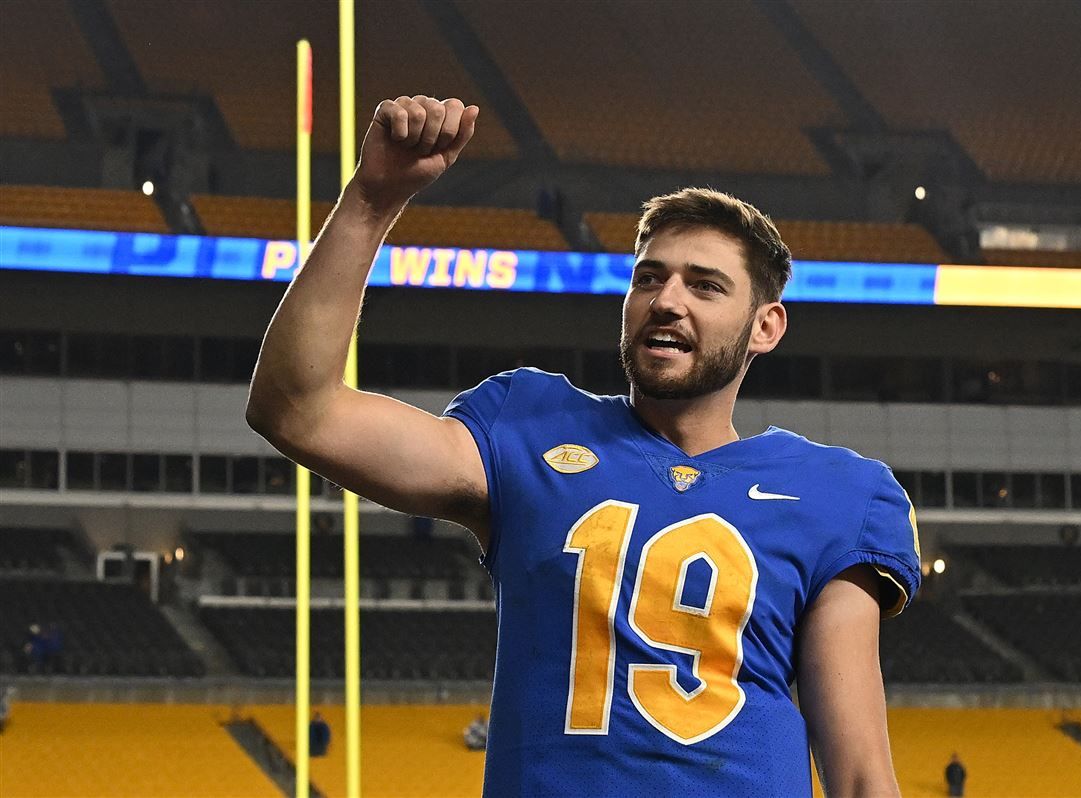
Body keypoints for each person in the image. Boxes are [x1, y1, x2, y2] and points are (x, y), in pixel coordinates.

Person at [247, 94, 921, 797]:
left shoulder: (839, 493)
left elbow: (861, 774)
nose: (666, 300)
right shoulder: (531, 426)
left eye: (706, 286)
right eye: (649, 277)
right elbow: (297, 409)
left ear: (765, 327)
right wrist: (371, 199)